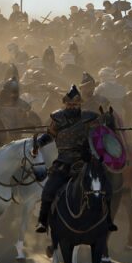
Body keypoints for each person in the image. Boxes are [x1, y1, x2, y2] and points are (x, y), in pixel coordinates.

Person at [36, 85, 114, 233]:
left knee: (105, 186)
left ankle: (108, 219)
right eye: (70, 104)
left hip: (84, 161)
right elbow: (50, 135)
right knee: (48, 190)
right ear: (65, 104)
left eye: (75, 105)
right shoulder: (57, 118)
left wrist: (106, 124)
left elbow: (98, 136)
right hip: (64, 162)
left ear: (80, 104)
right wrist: (39, 142)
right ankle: (43, 221)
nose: (72, 107)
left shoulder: (89, 118)